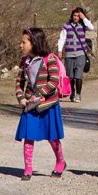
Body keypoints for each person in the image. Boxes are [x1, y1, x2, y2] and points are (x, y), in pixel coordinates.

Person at [15, 27, 66, 181]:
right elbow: (19, 83)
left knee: (52, 137)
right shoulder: (24, 62)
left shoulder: (49, 58)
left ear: (34, 42)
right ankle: (28, 169)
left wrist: (39, 95)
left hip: (47, 104)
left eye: (24, 42)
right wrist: (21, 98)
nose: (21, 45)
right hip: (30, 106)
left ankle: (60, 161)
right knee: (28, 136)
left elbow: (54, 81)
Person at [57, 6, 94, 102]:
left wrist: (84, 18)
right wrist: (60, 50)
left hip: (80, 53)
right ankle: (72, 92)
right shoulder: (67, 26)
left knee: (78, 75)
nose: (76, 17)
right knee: (70, 76)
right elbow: (62, 39)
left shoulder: (83, 25)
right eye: (74, 15)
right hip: (69, 54)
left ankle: (78, 94)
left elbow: (91, 27)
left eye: (78, 16)